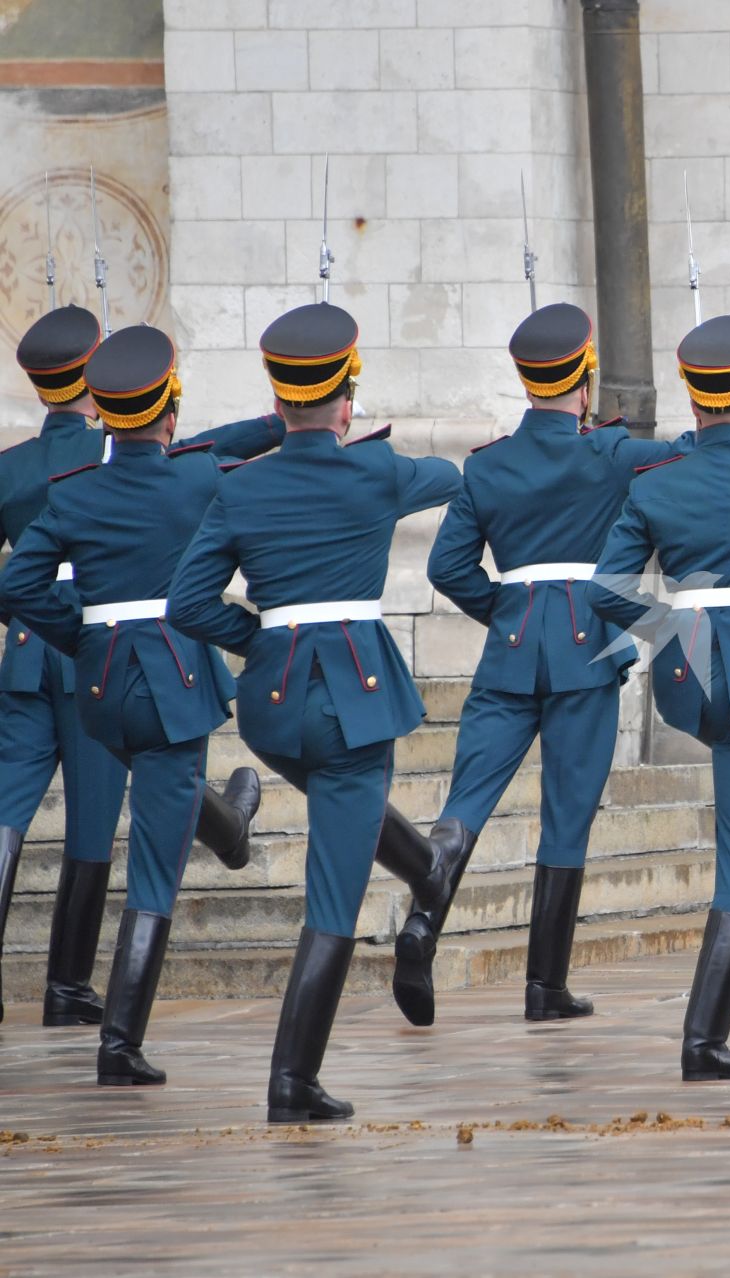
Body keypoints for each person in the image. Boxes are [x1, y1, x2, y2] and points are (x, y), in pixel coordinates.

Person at [168, 302, 462, 1123]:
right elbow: (450, 479)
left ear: (277, 398)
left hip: (273, 701)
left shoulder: (241, 485)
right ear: (344, 397)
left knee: (349, 806)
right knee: (334, 893)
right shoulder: (376, 472)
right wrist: (371, 448)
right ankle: (292, 1083)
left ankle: (428, 868)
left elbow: (190, 602)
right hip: (349, 702)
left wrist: (257, 638)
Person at [393, 303, 687, 1027]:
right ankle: (544, 987)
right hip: (588, 645)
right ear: (585, 379)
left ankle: (421, 927)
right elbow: (696, 452)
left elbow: (447, 565)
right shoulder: (610, 453)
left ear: (526, 384)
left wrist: (506, 610)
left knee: (465, 804)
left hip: (512, 645)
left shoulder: (487, 464)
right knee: (567, 817)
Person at [0, 324, 276, 1083]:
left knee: (23, 809)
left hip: (71, 668)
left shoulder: (48, 481)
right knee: (132, 840)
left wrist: (73, 634)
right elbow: (220, 462)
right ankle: (93, 1016)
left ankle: (231, 822)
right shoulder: (172, 470)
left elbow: (15, 585)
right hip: (152, 669)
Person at [590, 312, 730, 1081]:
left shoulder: (660, 482)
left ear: (692, 403)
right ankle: (703, 1038)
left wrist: (672, 626)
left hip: (689, 674)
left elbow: (608, 590)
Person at [0, 304, 130, 1026]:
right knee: (91, 818)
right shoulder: (113, 456)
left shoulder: (12, 469)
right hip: (94, 650)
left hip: (25, 652)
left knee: (5, 811)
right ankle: (67, 988)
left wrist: (19, 615)